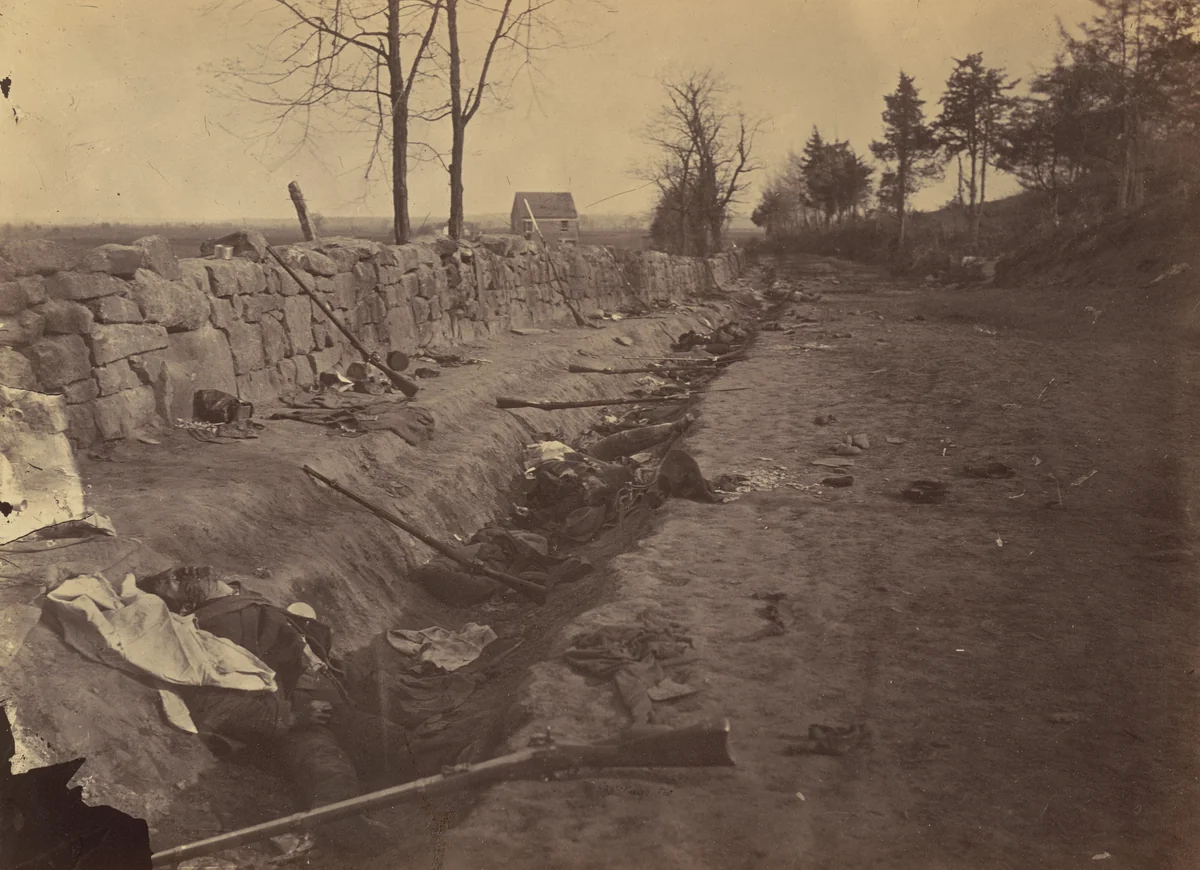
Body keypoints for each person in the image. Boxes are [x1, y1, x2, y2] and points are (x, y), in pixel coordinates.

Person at [138, 566, 453, 852]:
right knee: (328, 770)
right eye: (172, 581)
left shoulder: (242, 598)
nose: (185, 572)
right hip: (292, 719)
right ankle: (348, 829)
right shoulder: (203, 634)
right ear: (184, 607)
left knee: (400, 741)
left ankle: (465, 774)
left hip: (331, 703)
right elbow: (214, 707)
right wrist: (290, 716)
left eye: (177, 571)